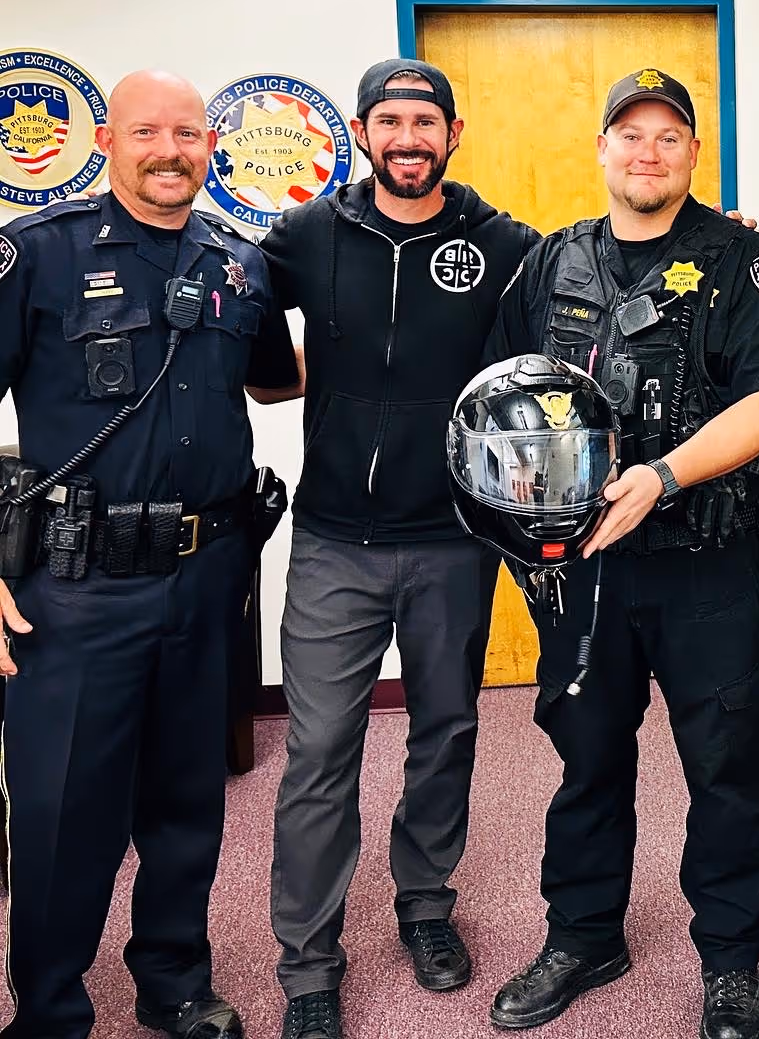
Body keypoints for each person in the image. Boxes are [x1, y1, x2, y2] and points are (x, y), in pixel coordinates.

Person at [479, 67, 759, 1039]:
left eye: (668, 135)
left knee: (722, 764)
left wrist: (664, 475)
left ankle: (729, 957)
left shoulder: (740, 259)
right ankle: (584, 935)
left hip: (703, 568)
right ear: (601, 150)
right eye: (629, 134)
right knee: (586, 761)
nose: (647, 151)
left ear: (692, 154)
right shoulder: (551, 265)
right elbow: (499, 395)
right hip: (583, 574)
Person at [0, 70, 300, 1039]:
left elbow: (273, 384)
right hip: (79, 588)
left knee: (186, 804)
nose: (169, 150)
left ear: (210, 144)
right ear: (104, 136)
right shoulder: (36, 257)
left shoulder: (241, 263)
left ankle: (173, 980)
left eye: (186, 134)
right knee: (62, 815)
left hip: (208, 575)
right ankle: (48, 1013)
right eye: (147, 132)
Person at [258, 60, 539, 1039]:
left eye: (425, 120)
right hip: (334, 541)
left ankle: (425, 904)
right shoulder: (305, 234)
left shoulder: (501, 243)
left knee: (446, 730)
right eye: (391, 120)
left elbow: (591, 282)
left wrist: (726, 243)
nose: (408, 136)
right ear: (364, 133)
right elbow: (249, 339)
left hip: (454, 541)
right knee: (320, 750)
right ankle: (308, 962)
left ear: (454, 135)